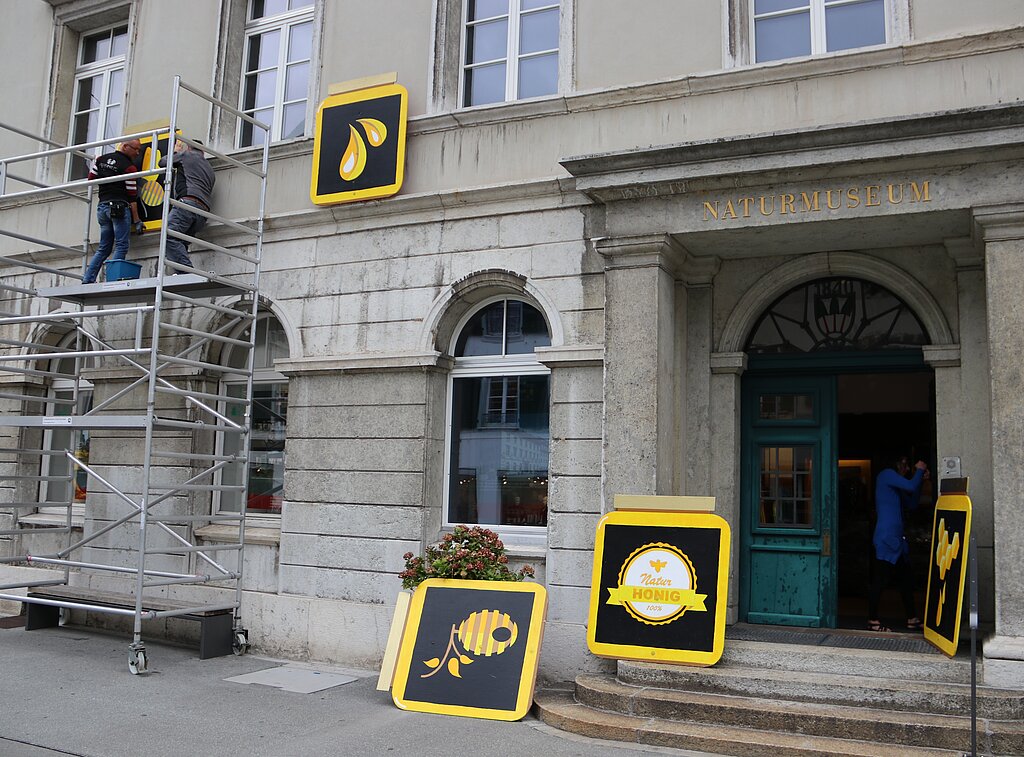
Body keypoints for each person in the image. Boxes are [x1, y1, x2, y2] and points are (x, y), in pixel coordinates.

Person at [867, 455, 929, 632]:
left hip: (897, 541)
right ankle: (872, 620)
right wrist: (920, 469)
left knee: (905, 580)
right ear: (895, 464)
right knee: (880, 580)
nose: (907, 468)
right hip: (887, 539)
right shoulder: (886, 474)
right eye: (904, 464)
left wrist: (921, 480)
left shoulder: (894, 483)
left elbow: (912, 504)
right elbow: (910, 485)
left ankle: (912, 618)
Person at [81, 139, 144, 284]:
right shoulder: (129, 167)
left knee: (104, 247)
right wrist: (137, 220)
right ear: (125, 146)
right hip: (118, 208)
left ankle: (88, 278)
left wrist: (98, 165)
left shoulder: (101, 160)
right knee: (121, 244)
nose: (137, 153)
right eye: (136, 149)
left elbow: (91, 178)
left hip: (102, 208)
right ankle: (113, 280)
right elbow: (132, 195)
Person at [159, 138, 215, 270]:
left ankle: (186, 272)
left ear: (189, 148)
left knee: (168, 237)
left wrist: (175, 151)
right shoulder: (209, 168)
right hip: (202, 212)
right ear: (203, 152)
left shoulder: (186, 156)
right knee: (180, 243)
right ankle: (181, 273)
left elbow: (162, 162)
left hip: (187, 205)